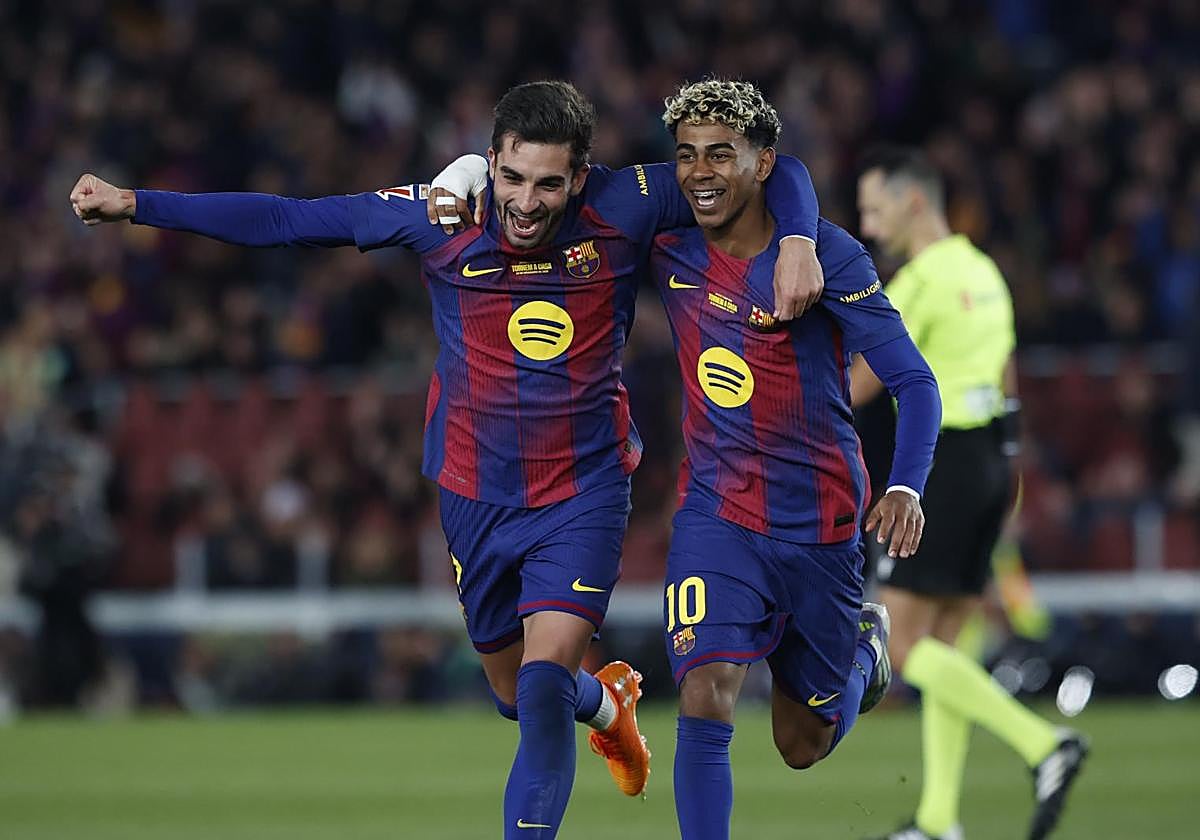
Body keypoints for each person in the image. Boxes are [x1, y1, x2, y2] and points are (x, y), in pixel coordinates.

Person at [70, 80, 826, 839]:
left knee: (536, 694)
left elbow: (771, 168)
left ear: (582, 174)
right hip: (473, 494)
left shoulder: (625, 203)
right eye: (512, 177)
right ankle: (606, 704)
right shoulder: (437, 215)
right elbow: (284, 219)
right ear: (489, 160)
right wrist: (138, 204)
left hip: (584, 494)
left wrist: (795, 239)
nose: (527, 202)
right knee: (513, 690)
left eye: (550, 183)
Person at [633, 79, 940, 840]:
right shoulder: (670, 235)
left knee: (800, 746)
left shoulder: (830, 254)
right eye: (687, 156)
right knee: (704, 689)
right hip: (716, 513)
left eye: (721, 156)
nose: (700, 173)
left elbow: (913, 382)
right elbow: (575, 186)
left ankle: (865, 655)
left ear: (761, 163)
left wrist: (905, 484)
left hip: (820, 523)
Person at [853, 146, 1088, 840]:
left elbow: (862, 383)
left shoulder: (920, 281)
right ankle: (937, 820)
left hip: (939, 464)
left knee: (900, 645)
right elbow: (1009, 378)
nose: (867, 224)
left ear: (914, 200)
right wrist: (1007, 478)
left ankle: (1045, 745)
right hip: (992, 459)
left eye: (874, 206)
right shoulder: (986, 274)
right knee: (946, 643)